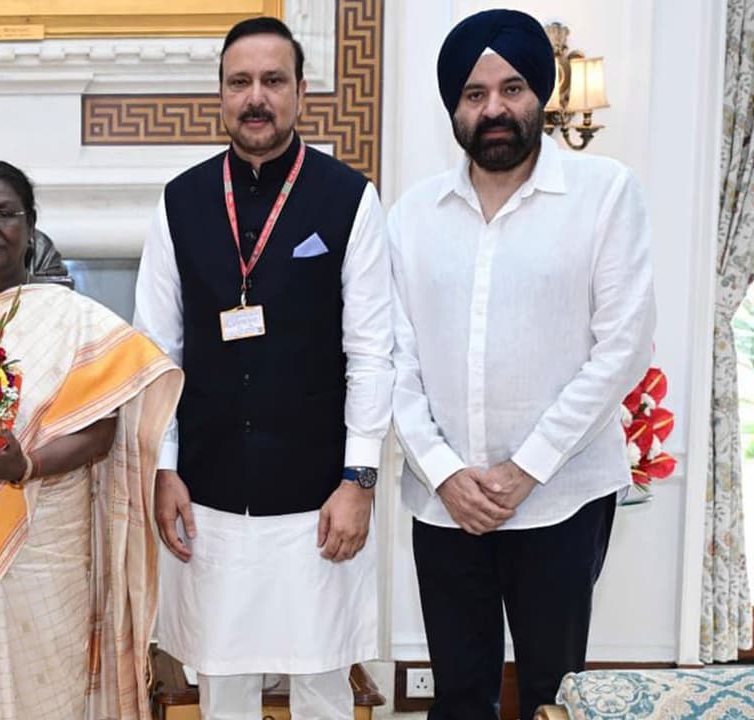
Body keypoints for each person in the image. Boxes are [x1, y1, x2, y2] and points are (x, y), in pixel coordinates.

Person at [388, 10, 656, 719]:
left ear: (541, 93)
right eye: (474, 94)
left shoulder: (604, 194)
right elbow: (392, 358)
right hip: (445, 504)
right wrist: (444, 471)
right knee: (458, 698)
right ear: (454, 108)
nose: (495, 109)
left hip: (563, 495)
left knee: (555, 695)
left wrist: (526, 468)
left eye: (512, 89)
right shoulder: (412, 216)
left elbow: (623, 346)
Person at [133, 16, 394, 720]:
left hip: (319, 495)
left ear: (300, 91)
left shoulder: (348, 198)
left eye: (273, 81)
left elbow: (373, 352)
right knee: (221, 682)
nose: (256, 97)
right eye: (240, 82)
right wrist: (163, 468)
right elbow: (155, 353)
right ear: (219, 94)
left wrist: (360, 479)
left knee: (323, 685)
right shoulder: (181, 202)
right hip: (207, 493)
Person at [0, 160, 182, 719]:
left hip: (46, 547)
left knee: (47, 693)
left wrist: (23, 465)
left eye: (4, 214)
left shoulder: (74, 319)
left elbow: (102, 432)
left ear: (30, 226)